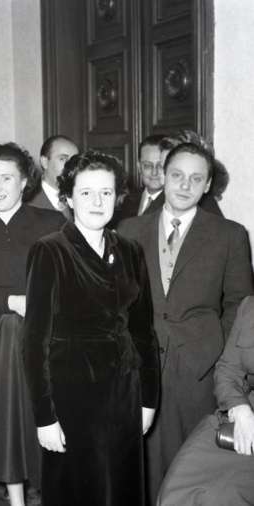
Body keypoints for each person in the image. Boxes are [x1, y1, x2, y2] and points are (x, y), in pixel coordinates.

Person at [22, 149, 160, 505]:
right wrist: (44, 417)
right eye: (86, 192)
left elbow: (143, 332)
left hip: (124, 393)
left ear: (118, 198)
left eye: (106, 192)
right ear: (68, 198)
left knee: (123, 491)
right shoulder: (50, 251)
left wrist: (148, 399)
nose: (97, 202)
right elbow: (33, 341)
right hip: (71, 397)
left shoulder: (131, 251)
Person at [118, 142, 253, 504]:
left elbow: (239, 306)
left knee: (186, 470)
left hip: (198, 370)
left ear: (207, 185)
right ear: (163, 176)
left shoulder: (230, 235)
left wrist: (215, 355)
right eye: (177, 175)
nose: (184, 185)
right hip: (138, 365)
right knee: (138, 465)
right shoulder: (128, 230)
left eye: (196, 178)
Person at [0, 143, 65, 506]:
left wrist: (31, 304)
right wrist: (12, 302)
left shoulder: (51, 224)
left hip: (46, 333)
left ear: (24, 182)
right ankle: (17, 499)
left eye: (6, 178)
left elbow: (66, 282)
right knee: (7, 333)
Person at [158, 296, 254, 506]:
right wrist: (239, 407)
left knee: (223, 496)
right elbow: (227, 369)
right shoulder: (249, 307)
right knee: (178, 487)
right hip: (242, 417)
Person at [28, 134, 79, 219]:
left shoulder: (81, 199)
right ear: (45, 162)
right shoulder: (28, 202)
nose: (70, 166)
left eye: (74, 161)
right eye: (62, 159)